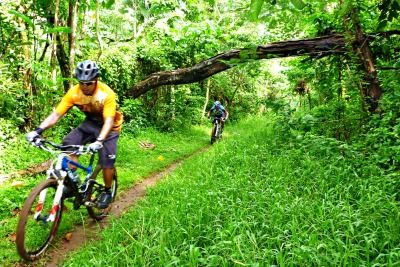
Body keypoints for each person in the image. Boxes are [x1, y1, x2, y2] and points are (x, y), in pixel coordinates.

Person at [25, 60, 123, 209]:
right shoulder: (74, 93)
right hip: (90, 124)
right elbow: (55, 115)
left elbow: (108, 121)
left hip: (110, 128)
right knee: (68, 143)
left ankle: (107, 191)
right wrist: (37, 131)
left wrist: (99, 141)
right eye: (81, 83)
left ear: (96, 80)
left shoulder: (106, 93)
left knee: (107, 161)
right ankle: (73, 182)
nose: (85, 86)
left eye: (89, 83)